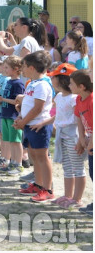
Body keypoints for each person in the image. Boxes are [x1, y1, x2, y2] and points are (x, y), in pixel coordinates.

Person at [16, 51, 55, 203]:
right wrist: (20, 118)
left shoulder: (42, 85)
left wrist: (24, 121)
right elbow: (28, 105)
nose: (22, 70)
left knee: (42, 157)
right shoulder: (32, 83)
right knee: (34, 156)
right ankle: (38, 185)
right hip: (29, 125)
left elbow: (38, 108)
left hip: (39, 126)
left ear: (32, 68)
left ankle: (48, 189)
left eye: (24, 66)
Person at [47, 64, 86, 209]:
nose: (52, 80)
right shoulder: (58, 96)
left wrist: (81, 139)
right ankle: (68, 195)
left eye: (54, 77)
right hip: (62, 135)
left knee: (78, 167)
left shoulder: (75, 98)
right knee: (67, 167)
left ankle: (77, 199)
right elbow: (57, 114)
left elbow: (79, 118)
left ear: (62, 80)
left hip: (73, 135)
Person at [0, 56, 25, 174]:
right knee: (9, 140)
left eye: (7, 67)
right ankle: (11, 162)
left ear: (16, 69)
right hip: (5, 114)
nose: (4, 70)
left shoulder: (18, 83)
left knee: (16, 141)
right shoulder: (9, 81)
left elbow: (17, 101)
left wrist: (3, 100)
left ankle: (18, 164)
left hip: (13, 115)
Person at [70, 70, 93, 216]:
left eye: (72, 84)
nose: (69, 86)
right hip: (89, 139)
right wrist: (81, 139)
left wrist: (90, 144)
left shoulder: (92, 100)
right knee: (93, 172)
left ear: (82, 86)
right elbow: (79, 119)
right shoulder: (79, 99)